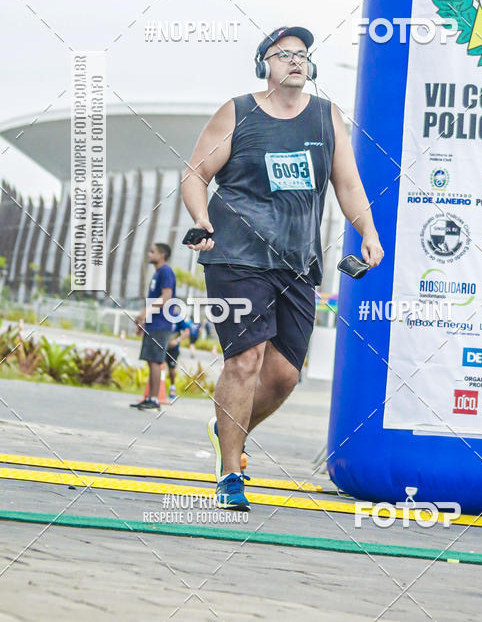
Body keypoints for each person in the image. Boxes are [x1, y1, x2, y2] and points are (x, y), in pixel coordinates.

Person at [182, 27, 384, 509]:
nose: (295, 60)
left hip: (297, 262)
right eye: (283, 54)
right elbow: (195, 174)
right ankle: (230, 475)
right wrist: (202, 218)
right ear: (263, 65)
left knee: (284, 376)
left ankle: (226, 430)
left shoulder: (325, 117)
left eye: (302, 54)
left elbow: (349, 185)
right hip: (236, 253)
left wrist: (370, 234)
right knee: (245, 359)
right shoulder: (237, 111)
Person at [130, 243, 177, 410]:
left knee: (156, 361)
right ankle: (149, 397)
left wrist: (144, 312)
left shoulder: (166, 272)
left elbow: (166, 296)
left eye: (152, 251)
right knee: (151, 361)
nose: (149, 254)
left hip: (161, 324)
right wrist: (143, 322)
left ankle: (155, 400)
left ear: (162, 255)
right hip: (152, 324)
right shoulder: (158, 273)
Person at [165, 316, 189, 400]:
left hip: (173, 349)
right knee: (157, 365)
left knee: (172, 369)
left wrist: (177, 340)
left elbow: (187, 332)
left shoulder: (177, 318)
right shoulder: (162, 315)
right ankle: (155, 391)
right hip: (161, 346)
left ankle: (172, 387)